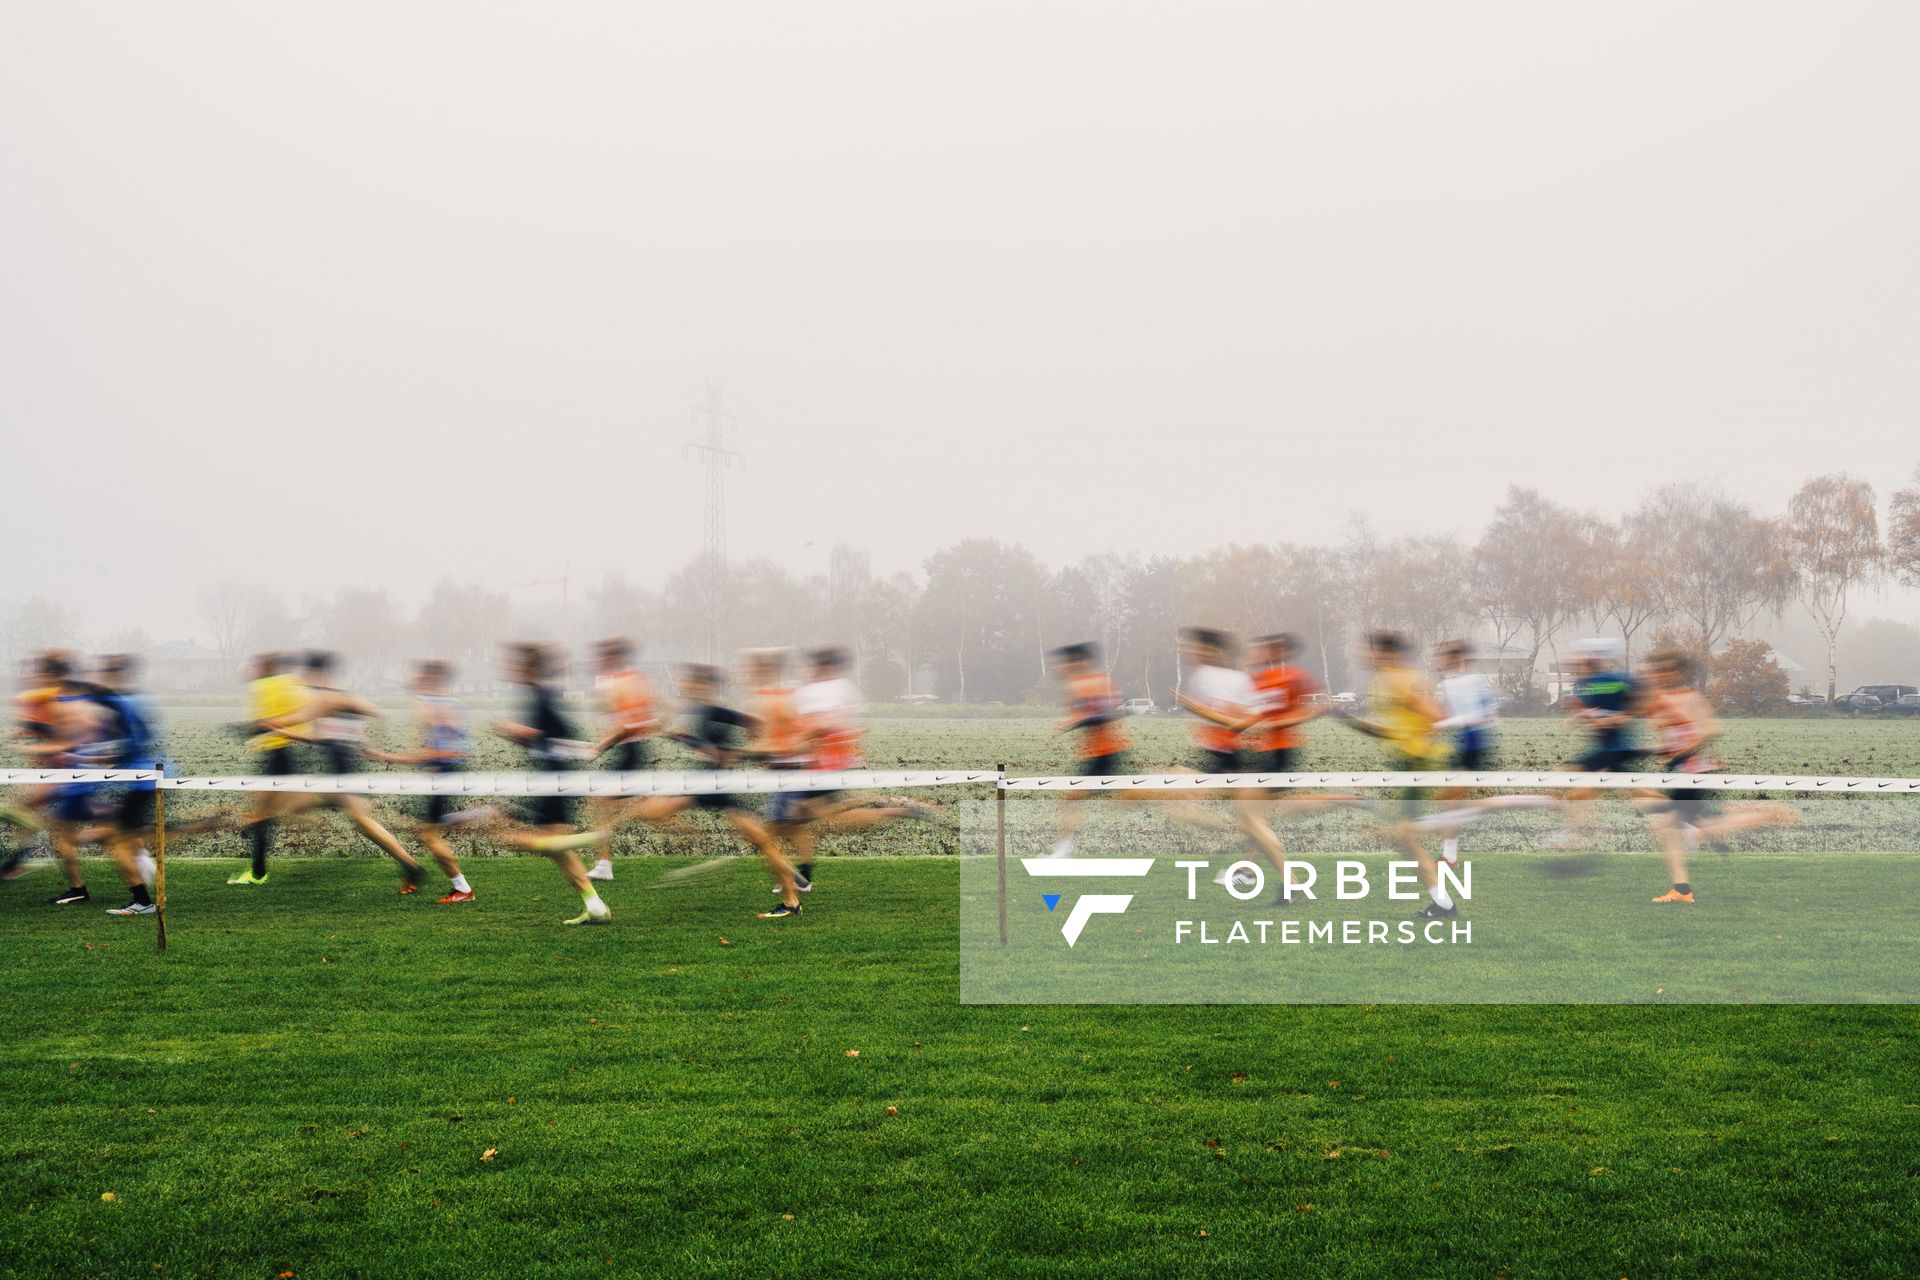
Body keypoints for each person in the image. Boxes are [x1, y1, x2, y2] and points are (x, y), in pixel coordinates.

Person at [1637, 648, 1798, 904]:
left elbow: (1711, 731)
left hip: (1693, 772)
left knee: (1668, 822)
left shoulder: (1690, 698)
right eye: (1657, 671)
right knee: (1680, 825)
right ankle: (1682, 886)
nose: (1660, 675)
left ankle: (1769, 814)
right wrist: (1658, 750)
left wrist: (1680, 755)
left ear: (1679, 673)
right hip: (1683, 771)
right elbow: (1674, 736)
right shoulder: (1664, 700)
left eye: (1666, 670)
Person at [647, 662, 807, 918]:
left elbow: (756, 725)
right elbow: (710, 746)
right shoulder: (701, 710)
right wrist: (683, 738)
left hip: (716, 786)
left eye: (689, 681)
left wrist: (745, 752)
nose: (683, 684)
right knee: (761, 841)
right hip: (708, 784)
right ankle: (790, 889)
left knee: (652, 812)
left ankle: (790, 896)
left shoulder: (715, 709)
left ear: (703, 685)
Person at [264, 651, 429, 893]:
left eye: (307, 673)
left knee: (355, 819)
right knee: (311, 809)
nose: (304, 678)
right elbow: (328, 732)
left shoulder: (329, 698)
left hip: (342, 773)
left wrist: (277, 725)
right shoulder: (337, 696)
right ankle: (409, 865)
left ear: (318, 672)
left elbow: (310, 722)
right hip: (341, 771)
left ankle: (411, 865)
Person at [772, 646, 935, 889]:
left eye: (810, 666)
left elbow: (819, 727)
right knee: (800, 817)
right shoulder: (844, 688)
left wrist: (789, 745)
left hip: (820, 765)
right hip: (835, 762)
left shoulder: (821, 689)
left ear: (821, 667)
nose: (807, 671)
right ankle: (803, 876)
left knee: (806, 818)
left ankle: (896, 810)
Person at [486, 643, 613, 925]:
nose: (510, 669)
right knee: (557, 852)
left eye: (516, 664)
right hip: (555, 778)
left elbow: (544, 735)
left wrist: (511, 729)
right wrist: (517, 734)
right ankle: (595, 907)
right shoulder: (541, 695)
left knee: (519, 839)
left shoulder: (542, 697)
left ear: (529, 668)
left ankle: (590, 838)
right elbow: (555, 736)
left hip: (554, 780)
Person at [1339, 630, 1459, 920]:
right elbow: (1392, 730)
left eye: (1372, 652)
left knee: (1403, 835)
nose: (1366, 657)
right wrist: (1353, 723)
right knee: (1403, 838)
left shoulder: (1403, 680)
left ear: (1387, 653)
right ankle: (1442, 903)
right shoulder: (1386, 681)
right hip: (1405, 763)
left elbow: (1437, 716)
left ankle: (1444, 897)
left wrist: (1425, 738)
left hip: (1416, 763)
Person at [363, 660, 476, 903]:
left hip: (442, 775)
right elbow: (458, 748)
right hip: (450, 773)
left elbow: (428, 754)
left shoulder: (425, 706)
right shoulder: (454, 704)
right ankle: (467, 817)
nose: (411, 680)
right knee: (426, 832)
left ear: (429, 678)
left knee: (429, 837)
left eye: (416, 676)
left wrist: (384, 756)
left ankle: (463, 890)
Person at [582, 638, 661, 883]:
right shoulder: (637, 679)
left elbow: (628, 726)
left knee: (601, 804)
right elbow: (649, 719)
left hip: (629, 751)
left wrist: (602, 745)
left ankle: (604, 864)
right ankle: (603, 863)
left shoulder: (619, 683)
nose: (596, 662)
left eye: (600, 657)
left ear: (610, 658)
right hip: (635, 750)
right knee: (644, 809)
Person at [1045, 642, 1132, 859]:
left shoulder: (1097, 683)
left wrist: (1075, 722)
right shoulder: (1076, 686)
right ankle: (1063, 849)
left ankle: (1063, 851)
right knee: (1074, 800)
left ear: (1080, 662)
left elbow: (1106, 714)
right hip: (1097, 754)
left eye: (1065, 663)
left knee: (1072, 800)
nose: (1060, 667)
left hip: (1107, 753)